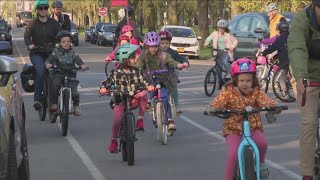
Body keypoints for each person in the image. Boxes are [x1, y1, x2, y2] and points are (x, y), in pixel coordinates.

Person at [209, 58, 278, 180]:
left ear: (253, 80)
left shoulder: (256, 91)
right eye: (241, 80)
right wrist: (214, 108)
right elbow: (219, 101)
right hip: (233, 129)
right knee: (233, 153)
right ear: (235, 80)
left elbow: (264, 101)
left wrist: (273, 105)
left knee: (262, 144)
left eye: (248, 80)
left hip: (252, 126)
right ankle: (228, 178)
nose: (245, 83)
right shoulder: (228, 91)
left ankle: (260, 164)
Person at [288, 1, 320, 179]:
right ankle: (307, 174)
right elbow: (297, 48)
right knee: (309, 122)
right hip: (307, 78)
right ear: (314, 7)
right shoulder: (302, 20)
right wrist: (300, 75)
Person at [99, 44, 147, 152]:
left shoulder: (137, 71)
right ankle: (114, 140)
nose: (137, 58)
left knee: (144, 93)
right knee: (117, 120)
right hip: (120, 99)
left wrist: (148, 85)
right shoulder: (116, 73)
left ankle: (140, 120)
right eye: (134, 57)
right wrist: (103, 88)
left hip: (133, 98)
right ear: (126, 59)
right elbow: (107, 82)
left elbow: (144, 79)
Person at [136, 31, 188, 131]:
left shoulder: (165, 55)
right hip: (150, 80)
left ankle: (169, 121)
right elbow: (138, 66)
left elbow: (172, 62)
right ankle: (148, 102)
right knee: (150, 90)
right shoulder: (143, 56)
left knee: (164, 98)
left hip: (164, 80)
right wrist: (135, 70)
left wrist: (179, 65)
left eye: (155, 46)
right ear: (147, 46)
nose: (153, 48)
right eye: (151, 46)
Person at [24, 0, 61, 111]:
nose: (43, 10)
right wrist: (30, 44)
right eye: (41, 8)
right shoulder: (32, 23)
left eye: (45, 8)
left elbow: (60, 35)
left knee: (56, 73)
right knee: (40, 71)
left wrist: (64, 42)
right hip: (37, 53)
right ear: (37, 10)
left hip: (52, 53)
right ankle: (38, 100)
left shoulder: (54, 23)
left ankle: (55, 102)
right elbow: (27, 36)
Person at [45, 30, 88, 116]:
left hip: (71, 74)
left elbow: (78, 60)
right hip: (59, 73)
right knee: (55, 85)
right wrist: (48, 64)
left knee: (75, 92)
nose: (66, 43)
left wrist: (82, 65)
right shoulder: (56, 52)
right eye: (63, 42)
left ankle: (76, 106)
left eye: (68, 41)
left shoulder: (73, 52)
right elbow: (50, 59)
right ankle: (54, 104)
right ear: (59, 43)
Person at [158, 30, 189, 115]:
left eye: (167, 43)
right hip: (157, 75)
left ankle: (175, 107)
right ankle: (153, 104)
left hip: (170, 74)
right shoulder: (155, 51)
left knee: (174, 88)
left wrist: (185, 62)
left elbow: (181, 58)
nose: (165, 45)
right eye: (162, 43)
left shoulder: (172, 52)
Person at [262, 22, 290, 99]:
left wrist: (263, 53)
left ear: (279, 30)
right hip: (294, 60)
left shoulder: (280, 39)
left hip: (285, 61)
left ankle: (285, 94)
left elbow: (272, 48)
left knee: (281, 77)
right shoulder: (292, 36)